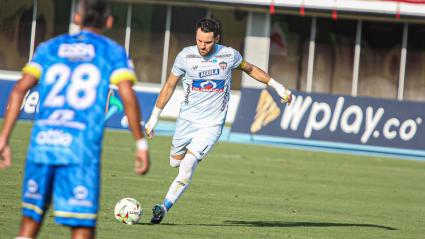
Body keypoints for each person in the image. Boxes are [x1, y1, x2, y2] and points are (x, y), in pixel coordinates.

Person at [0, 0, 150, 238]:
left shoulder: (49, 47)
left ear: (77, 18)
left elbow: (19, 90)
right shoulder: (111, 51)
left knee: (29, 223)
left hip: (42, 145)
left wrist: (3, 138)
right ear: (109, 22)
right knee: (82, 227)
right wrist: (140, 143)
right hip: (80, 150)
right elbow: (127, 95)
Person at [144, 17, 292, 224]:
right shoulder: (185, 56)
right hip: (186, 120)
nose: (202, 46)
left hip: (211, 125)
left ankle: (164, 207)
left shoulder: (229, 55)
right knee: (174, 163)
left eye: (208, 42)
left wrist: (278, 87)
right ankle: (190, 158)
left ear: (217, 39)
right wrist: (153, 118)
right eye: (199, 41)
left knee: (187, 165)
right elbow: (169, 86)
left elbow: (251, 69)